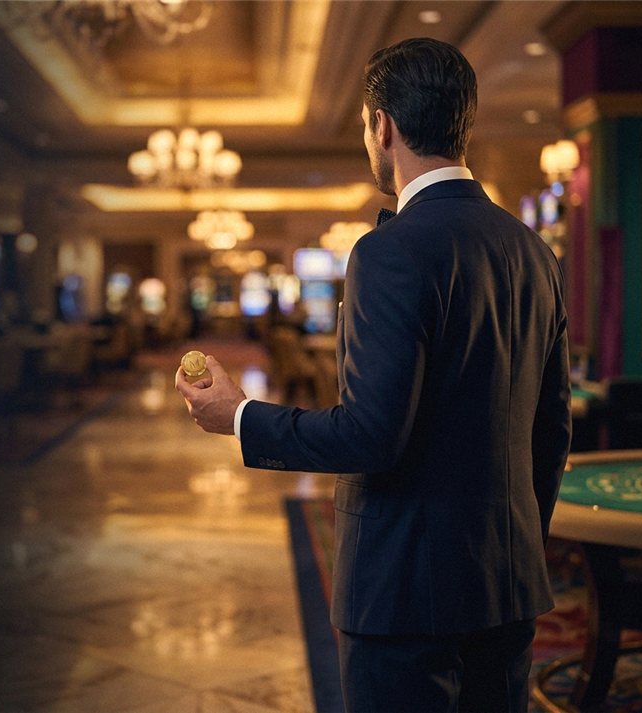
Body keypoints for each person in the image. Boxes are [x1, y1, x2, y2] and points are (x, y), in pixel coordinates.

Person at [175, 37, 571, 713]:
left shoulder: (388, 251)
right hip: (506, 583)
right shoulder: (530, 249)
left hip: (403, 592)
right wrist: (516, 551)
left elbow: (370, 436)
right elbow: (550, 430)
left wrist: (238, 416)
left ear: (381, 126)